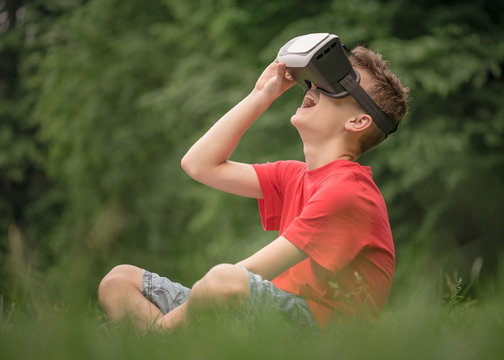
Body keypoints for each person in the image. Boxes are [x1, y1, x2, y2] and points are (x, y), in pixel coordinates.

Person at [97, 42, 409, 332]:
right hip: (265, 310)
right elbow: (199, 165)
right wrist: (262, 94)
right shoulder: (293, 176)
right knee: (119, 281)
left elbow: (255, 270)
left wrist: (178, 320)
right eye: (313, 81)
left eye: (335, 86)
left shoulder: (350, 192)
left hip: (319, 332)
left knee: (223, 280)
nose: (313, 87)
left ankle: (157, 344)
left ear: (357, 122)